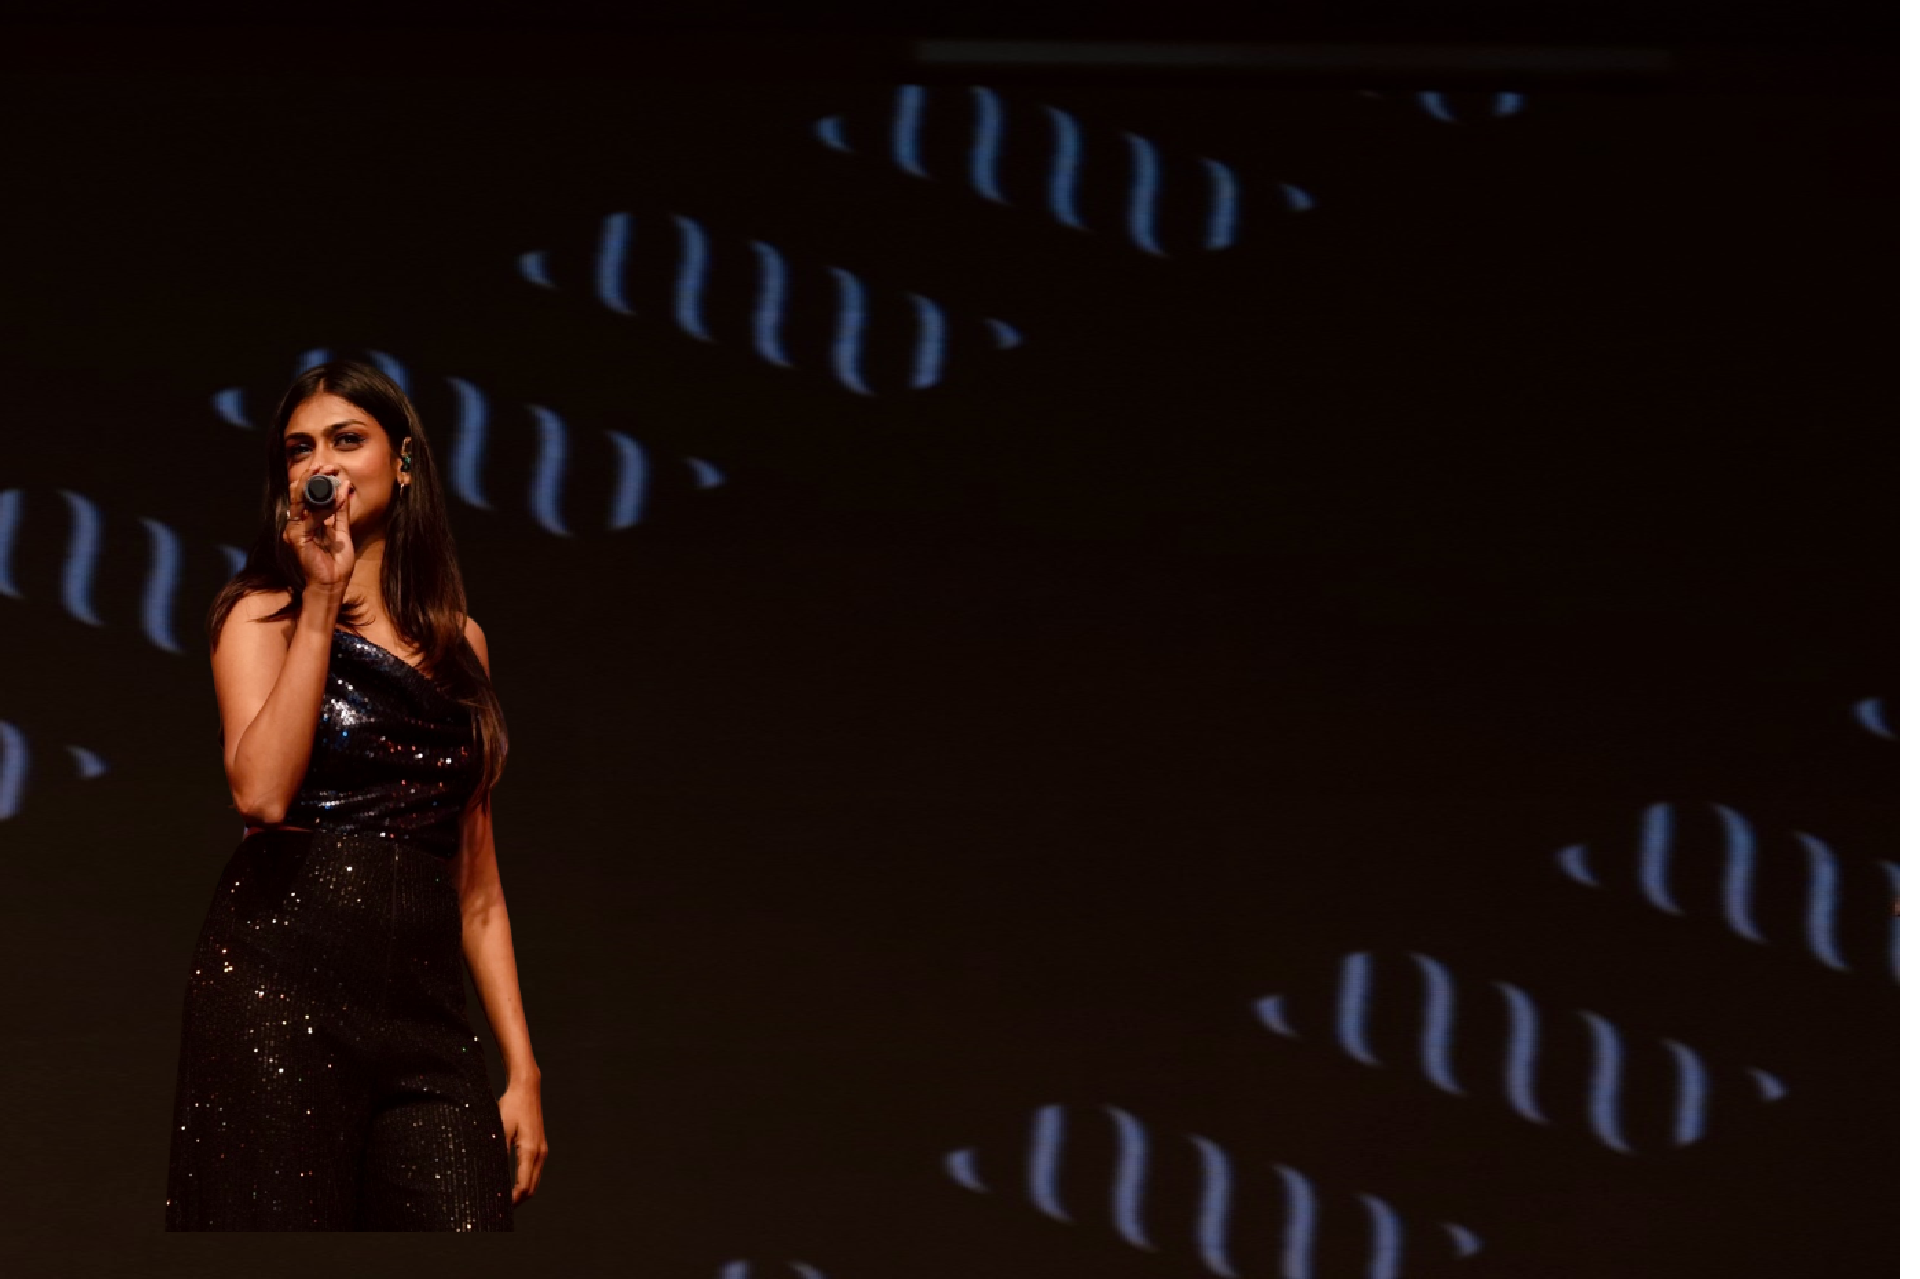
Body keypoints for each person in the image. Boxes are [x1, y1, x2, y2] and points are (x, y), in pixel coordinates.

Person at [164, 359, 548, 1230]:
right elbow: (261, 794)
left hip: (426, 1018)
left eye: (346, 439)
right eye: (299, 449)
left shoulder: (463, 645)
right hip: (278, 992)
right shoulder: (258, 616)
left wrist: (522, 1070)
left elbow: (479, 890)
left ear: (403, 462)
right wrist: (321, 599)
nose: (320, 463)